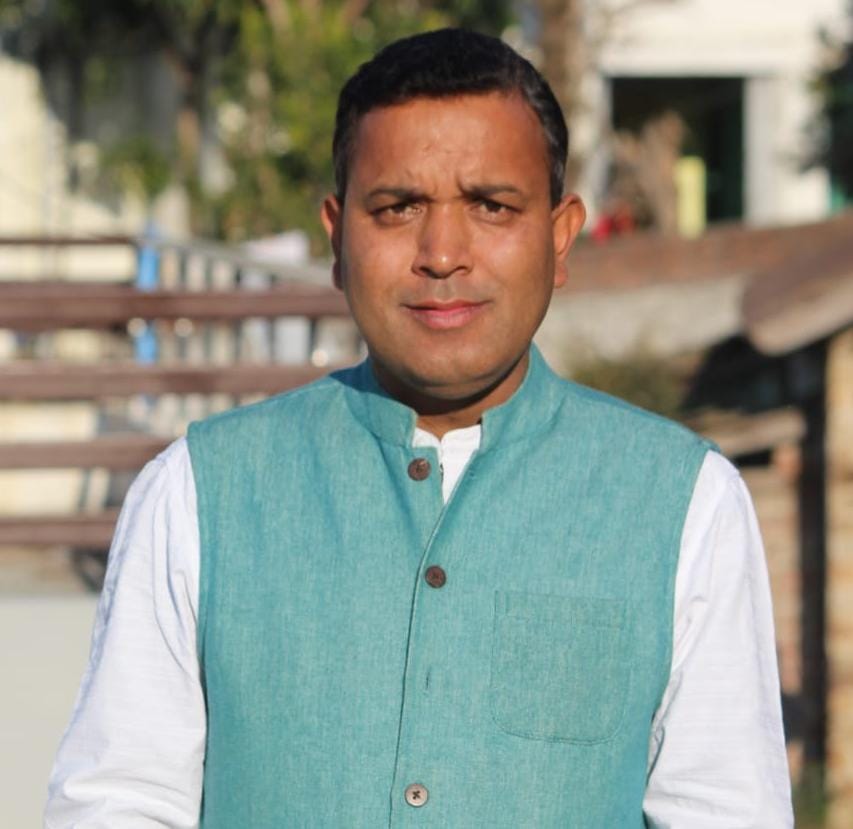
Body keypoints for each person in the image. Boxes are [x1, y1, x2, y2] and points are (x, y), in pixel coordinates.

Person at [45, 28, 793, 828]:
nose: (441, 254)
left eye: (490, 206)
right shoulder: (200, 493)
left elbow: (724, 811)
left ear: (558, 236)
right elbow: (118, 803)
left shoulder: (681, 503)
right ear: (337, 239)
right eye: (397, 208)